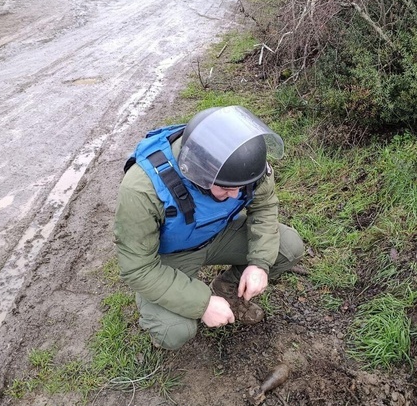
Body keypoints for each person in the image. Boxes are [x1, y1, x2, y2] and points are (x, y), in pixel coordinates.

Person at [113, 105, 305, 350]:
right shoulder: (141, 190)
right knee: (174, 332)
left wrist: (259, 263)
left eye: (240, 187)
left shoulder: (247, 166)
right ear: (198, 171)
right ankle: (158, 317)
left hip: (219, 234)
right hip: (168, 257)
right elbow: (138, 269)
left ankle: (226, 289)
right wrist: (202, 303)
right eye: (225, 188)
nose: (235, 194)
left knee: (288, 247)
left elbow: (264, 207)